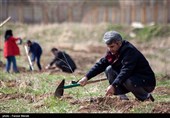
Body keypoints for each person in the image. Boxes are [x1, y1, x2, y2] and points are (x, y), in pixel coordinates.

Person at [78, 31, 156, 102]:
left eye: (112, 46)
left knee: (126, 78)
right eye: (108, 47)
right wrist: (86, 77)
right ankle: (122, 98)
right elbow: (101, 64)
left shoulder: (130, 51)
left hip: (145, 82)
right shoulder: (112, 52)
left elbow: (126, 71)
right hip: (132, 79)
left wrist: (113, 85)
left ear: (119, 43)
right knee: (109, 69)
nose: (110, 49)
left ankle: (146, 98)